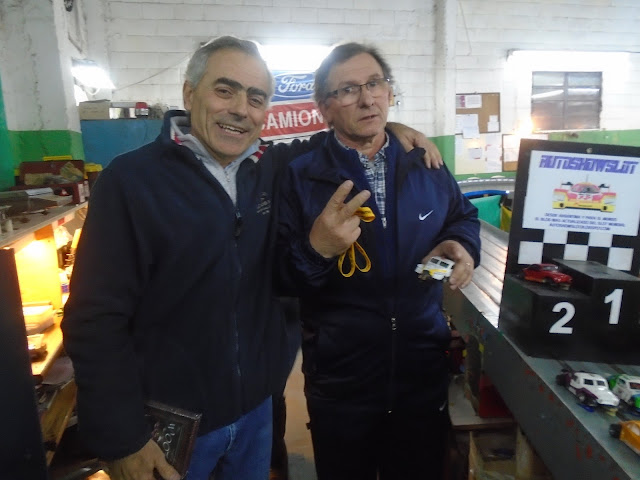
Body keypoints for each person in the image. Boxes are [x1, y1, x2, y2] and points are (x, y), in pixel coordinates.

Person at [61, 36, 443, 480]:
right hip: (173, 424)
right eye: (225, 90)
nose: (241, 109)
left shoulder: (271, 167)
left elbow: (344, 134)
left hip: (257, 413)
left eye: (256, 98)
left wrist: (393, 128)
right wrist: (122, 438)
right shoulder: (131, 181)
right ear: (190, 94)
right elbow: (94, 318)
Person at [275, 42, 481, 480]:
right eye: (348, 89)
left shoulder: (426, 162)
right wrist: (317, 249)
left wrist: (460, 243)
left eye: (375, 83)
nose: (367, 98)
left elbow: (462, 216)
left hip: (421, 371)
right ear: (325, 108)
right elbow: (282, 277)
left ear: (389, 91)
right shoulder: (300, 174)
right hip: (341, 380)